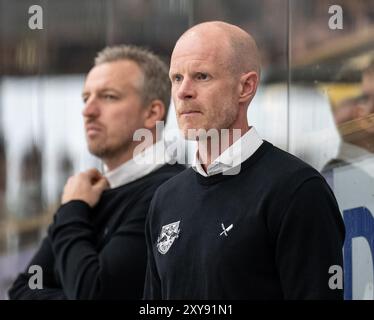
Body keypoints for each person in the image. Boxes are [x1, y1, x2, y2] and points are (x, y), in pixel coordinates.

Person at [143, 21, 345, 300]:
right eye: (176, 78)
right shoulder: (165, 199)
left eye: (201, 76)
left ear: (246, 87)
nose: (183, 91)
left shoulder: (297, 190)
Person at [8, 45, 184, 299]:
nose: (88, 111)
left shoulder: (169, 194)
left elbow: (93, 294)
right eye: (85, 98)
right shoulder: (87, 193)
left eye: (109, 96)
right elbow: (21, 290)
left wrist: (72, 208)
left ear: (152, 113)